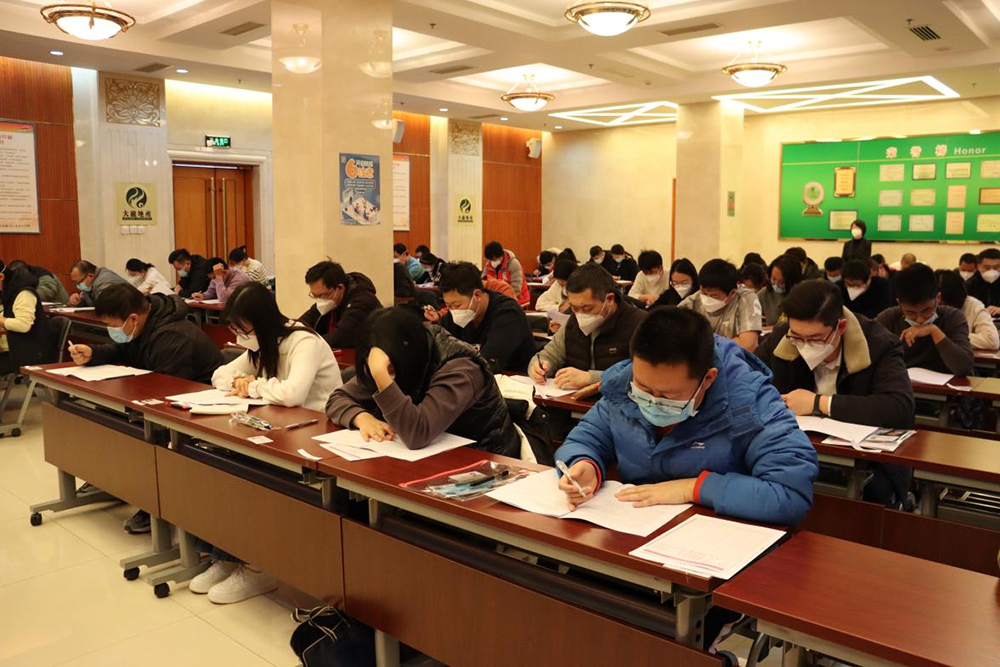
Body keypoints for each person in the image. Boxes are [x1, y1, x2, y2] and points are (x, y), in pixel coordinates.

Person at [555, 307, 818, 526]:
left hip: (714, 537)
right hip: (632, 527)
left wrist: (693, 488)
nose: (653, 401)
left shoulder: (751, 403)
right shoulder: (622, 387)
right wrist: (584, 464)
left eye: (669, 396)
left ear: (708, 379)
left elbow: (790, 494)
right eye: (644, 389)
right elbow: (585, 439)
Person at [198, 282, 341, 604]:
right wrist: (242, 381)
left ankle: (258, 567)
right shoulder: (262, 344)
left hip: (316, 438)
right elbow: (219, 375)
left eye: (243, 328)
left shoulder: (303, 341)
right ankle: (228, 556)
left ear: (262, 321)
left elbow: (292, 395)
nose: (239, 336)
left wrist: (251, 387)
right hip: (280, 430)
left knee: (247, 476)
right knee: (218, 463)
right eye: (234, 329)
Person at [67, 283, 224, 534]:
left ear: (132, 318)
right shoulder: (144, 323)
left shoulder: (174, 336)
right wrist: (93, 353)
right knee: (106, 414)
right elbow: (123, 349)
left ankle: (155, 501)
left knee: (143, 428)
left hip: (199, 408)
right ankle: (113, 481)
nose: (111, 330)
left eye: (112, 325)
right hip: (166, 397)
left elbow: (168, 390)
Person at [755, 280, 914, 506]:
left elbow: (899, 408)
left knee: (872, 497)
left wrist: (819, 403)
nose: (804, 346)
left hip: (867, 461)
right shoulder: (783, 336)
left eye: (815, 339)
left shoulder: (879, 344)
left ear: (840, 327)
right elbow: (748, 380)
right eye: (798, 337)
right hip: (793, 448)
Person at [327, 308, 521, 456]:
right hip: (430, 458)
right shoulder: (389, 357)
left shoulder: (460, 368)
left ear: (407, 348)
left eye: (389, 366)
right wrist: (361, 418)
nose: (384, 370)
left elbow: (417, 433)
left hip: (485, 459)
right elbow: (337, 398)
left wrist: (382, 376)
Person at [529, 263, 646, 390]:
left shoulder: (640, 324)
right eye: (574, 307)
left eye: (586, 308)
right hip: (572, 399)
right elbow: (549, 354)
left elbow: (645, 376)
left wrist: (591, 378)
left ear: (610, 299)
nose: (580, 314)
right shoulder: (573, 321)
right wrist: (539, 366)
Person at [426, 261, 535, 373]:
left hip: (515, 378)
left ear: (477, 295)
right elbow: (434, 345)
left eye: (457, 305)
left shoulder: (508, 314)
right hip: (470, 377)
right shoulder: (454, 315)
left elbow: (488, 363)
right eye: (449, 306)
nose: (453, 311)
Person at [875, 264, 974, 376]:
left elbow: (965, 368)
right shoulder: (889, 318)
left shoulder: (952, 317)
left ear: (938, 298)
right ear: (899, 304)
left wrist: (934, 331)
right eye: (911, 313)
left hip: (946, 384)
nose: (919, 319)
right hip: (903, 382)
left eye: (926, 310)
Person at [679, 259, 762, 352]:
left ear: (732, 293)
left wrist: (704, 347)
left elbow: (748, 344)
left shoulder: (745, 298)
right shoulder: (692, 302)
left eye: (714, 296)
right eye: (704, 293)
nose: (707, 298)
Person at [299, 260, 381, 349]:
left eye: (322, 295)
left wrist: (308, 343)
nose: (319, 300)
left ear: (340, 288)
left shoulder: (362, 301)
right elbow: (301, 324)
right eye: (315, 296)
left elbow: (340, 337)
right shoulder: (328, 300)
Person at [0, 266, 53, 374]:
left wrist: (1, 321)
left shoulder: (24, 293)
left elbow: (23, 325)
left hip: (29, 353)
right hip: (16, 347)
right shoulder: (9, 291)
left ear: (1, 277)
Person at [937, 270, 999, 351]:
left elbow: (992, 340)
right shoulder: (926, 305)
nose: (946, 309)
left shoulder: (973, 306)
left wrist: (943, 336)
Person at [757, 255, 802, 326]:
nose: (776, 284)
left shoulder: (801, 296)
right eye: (773, 279)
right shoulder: (765, 294)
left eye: (781, 282)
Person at [483, 241, 530, 306]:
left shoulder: (514, 264)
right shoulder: (488, 265)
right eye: (490, 260)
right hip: (497, 300)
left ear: (500, 256)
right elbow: (484, 282)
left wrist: (500, 299)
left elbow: (516, 289)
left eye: (494, 259)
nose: (492, 262)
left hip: (517, 300)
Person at [4, 260, 68, 303]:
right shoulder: (13, 278)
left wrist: (20, 297)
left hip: (60, 311)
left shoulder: (44, 276)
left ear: (25, 273)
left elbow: (45, 295)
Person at [966, 248, 1000, 315]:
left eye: (996, 267)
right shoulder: (969, 286)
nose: (991, 271)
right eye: (987, 267)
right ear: (979, 267)